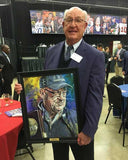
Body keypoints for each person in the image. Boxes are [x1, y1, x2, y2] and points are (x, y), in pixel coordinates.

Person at [15, 7, 105, 160]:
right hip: (55, 125)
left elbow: (95, 97)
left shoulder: (95, 56)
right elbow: (44, 83)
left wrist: (89, 130)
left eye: (78, 20)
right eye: (69, 20)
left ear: (85, 26)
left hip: (81, 129)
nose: (73, 24)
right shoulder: (52, 52)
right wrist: (26, 88)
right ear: (62, 25)